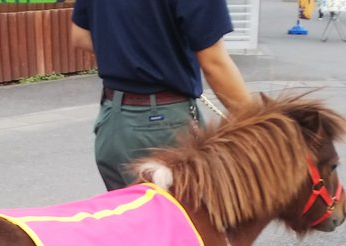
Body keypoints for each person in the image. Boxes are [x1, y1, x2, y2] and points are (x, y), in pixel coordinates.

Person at [71, 1, 256, 191]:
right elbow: (215, 63)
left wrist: (130, 53)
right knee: (183, 217)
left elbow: (80, 36)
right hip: (164, 128)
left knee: (130, 215)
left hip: (112, 122)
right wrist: (258, 125)